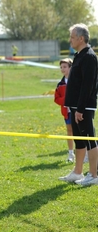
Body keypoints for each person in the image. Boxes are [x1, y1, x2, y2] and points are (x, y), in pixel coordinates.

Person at [59, 23, 98, 186]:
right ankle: (77, 172)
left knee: (89, 140)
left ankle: (94, 175)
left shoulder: (89, 56)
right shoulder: (79, 55)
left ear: (81, 39)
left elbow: (87, 86)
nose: (70, 40)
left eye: (72, 37)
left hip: (84, 107)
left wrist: (80, 109)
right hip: (75, 106)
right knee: (79, 140)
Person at [54, 58, 74, 162]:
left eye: (65, 67)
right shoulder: (60, 84)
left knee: (80, 132)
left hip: (78, 112)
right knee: (69, 131)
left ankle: (86, 154)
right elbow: (56, 99)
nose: (63, 69)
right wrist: (65, 100)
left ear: (71, 67)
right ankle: (71, 154)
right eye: (61, 67)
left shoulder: (77, 81)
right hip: (67, 113)